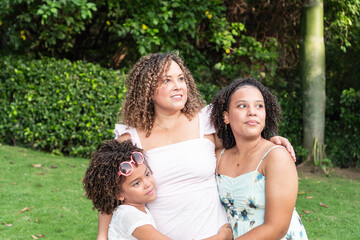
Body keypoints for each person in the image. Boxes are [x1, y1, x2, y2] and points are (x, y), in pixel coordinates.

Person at [98, 52, 296, 240]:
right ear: (147, 90)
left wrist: (271, 141)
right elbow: (109, 188)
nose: (178, 86)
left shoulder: (205, 123)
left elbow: (244, 142)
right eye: (167, 80)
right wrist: (102, 235)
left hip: (215, 234)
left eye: (181, 78)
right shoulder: (131, 140)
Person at [210, 78, 308, 239]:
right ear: (226, 117)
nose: (252, 112)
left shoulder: (276, 156)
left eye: (259, 106)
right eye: (242, 105)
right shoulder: (218, 157)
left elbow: (277, 228)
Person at [83, 139, 232, 240]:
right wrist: (220, 237)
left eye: (147, 174)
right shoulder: (129, 216)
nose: (147, 183)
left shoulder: (136, 209)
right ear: (119, 194)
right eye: (136, 183)